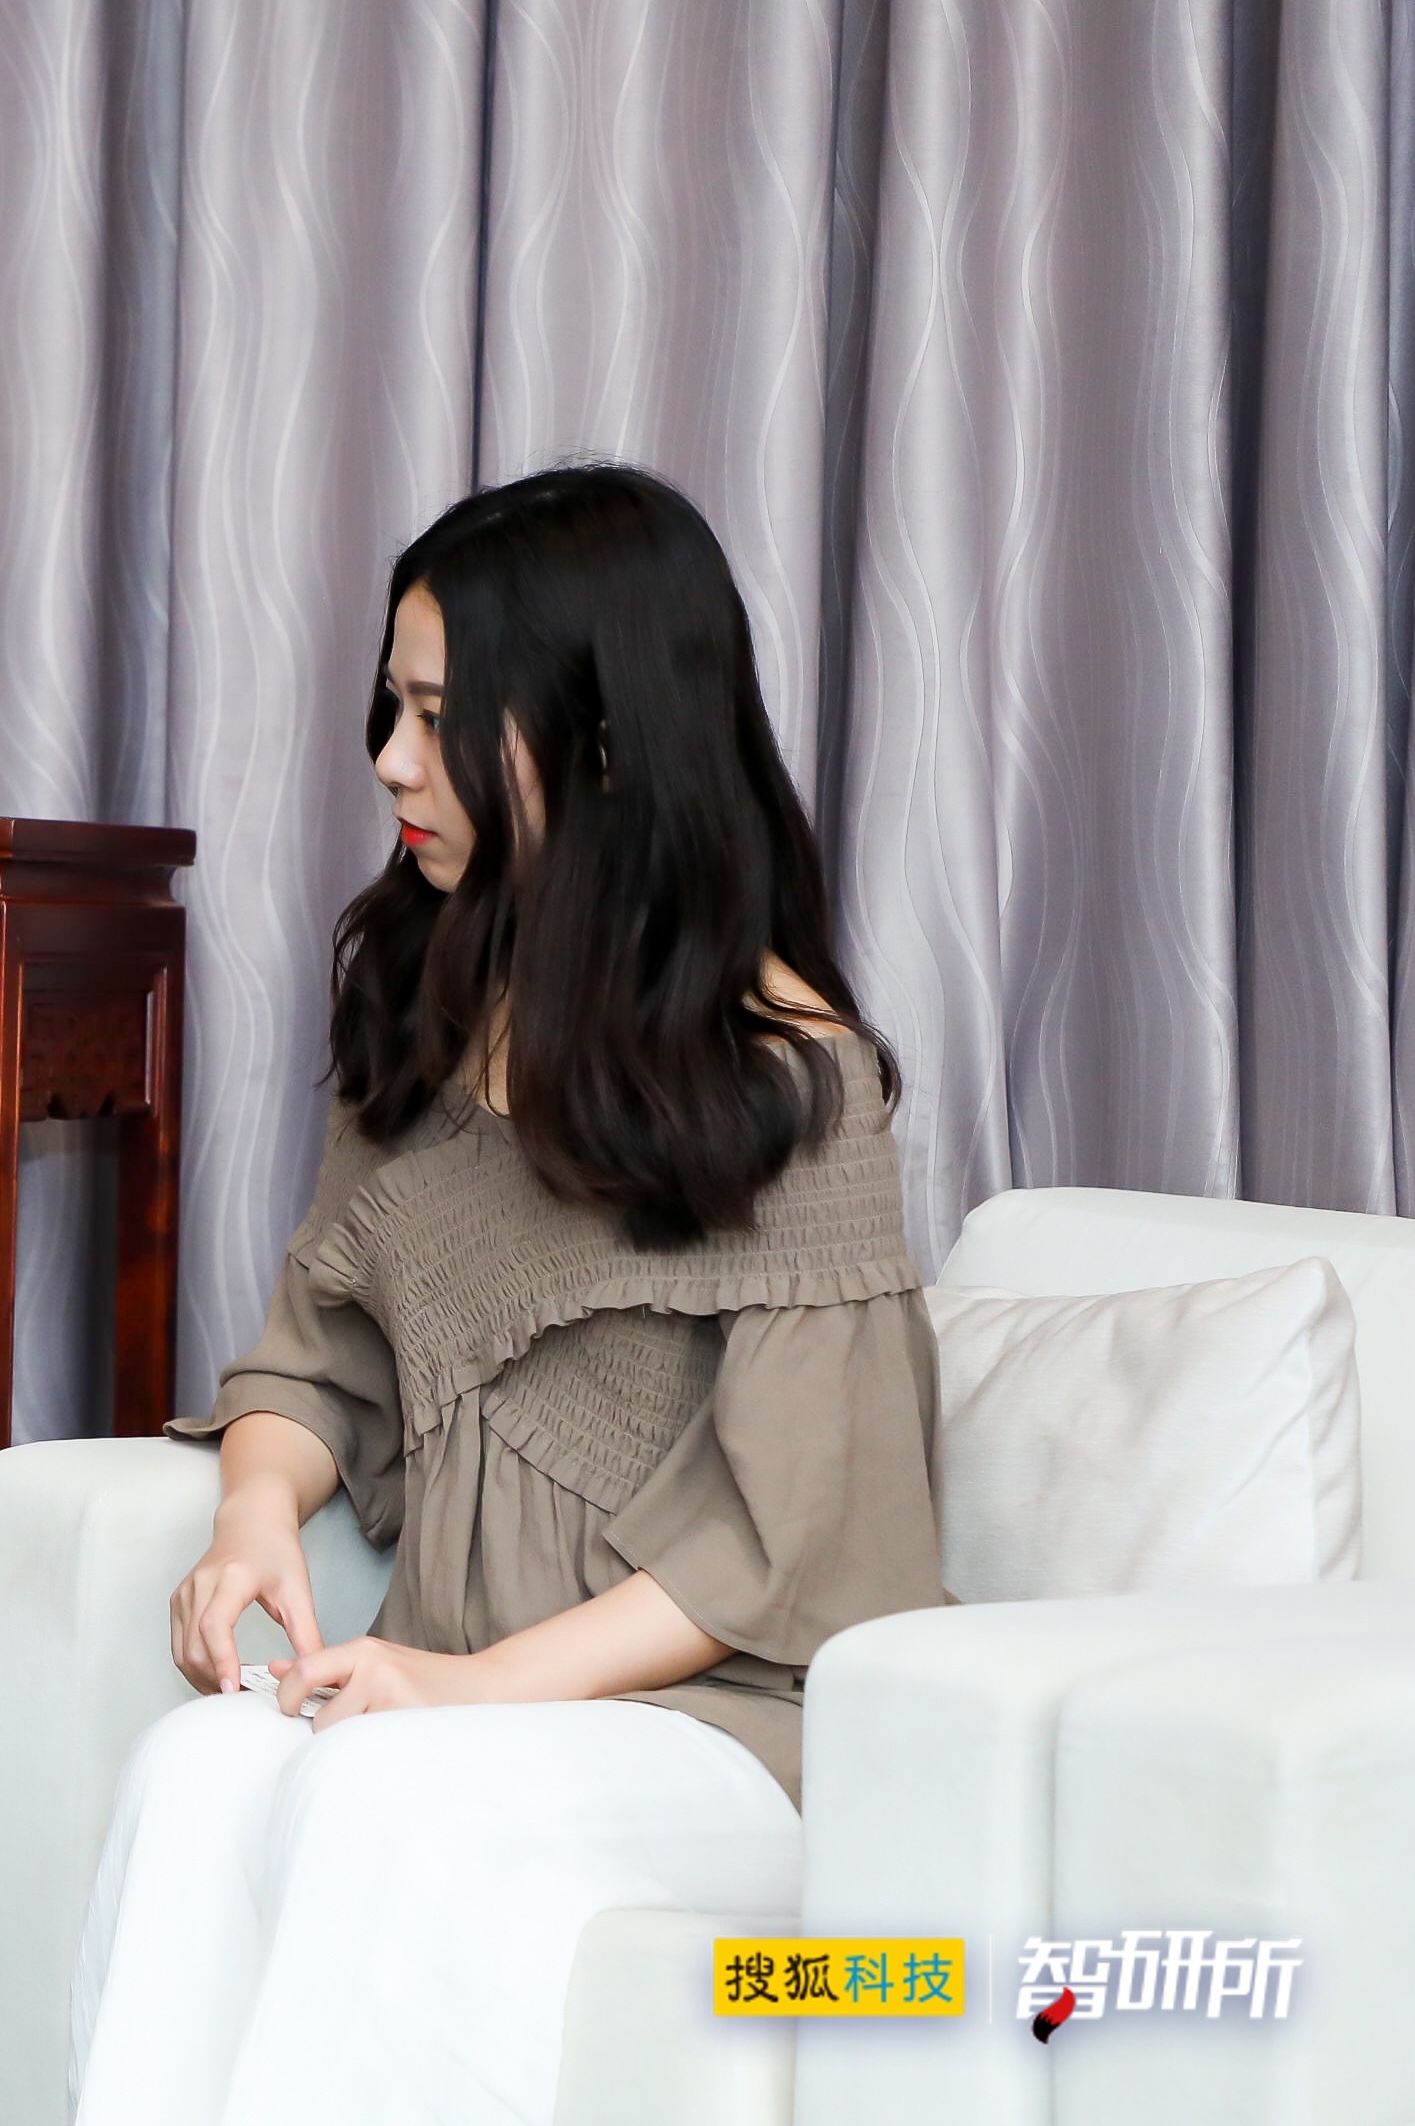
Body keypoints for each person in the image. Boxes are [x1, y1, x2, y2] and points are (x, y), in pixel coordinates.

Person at [69, 465, 947, 2125]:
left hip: (721, 1732)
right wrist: (252, 1520)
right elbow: (318, 1355)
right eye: (391, 708)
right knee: (201, 1768)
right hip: (461, 1699)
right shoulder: (430, 988)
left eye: (441, 719)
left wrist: (471, 1690)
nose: (393, 762)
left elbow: (781, 1544)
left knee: (385, 1801)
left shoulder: (793, 1080)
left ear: (602, 742)